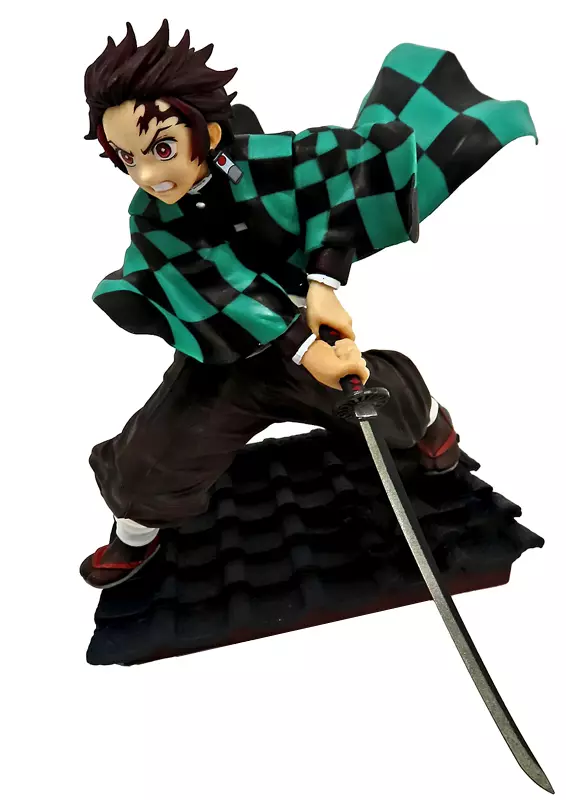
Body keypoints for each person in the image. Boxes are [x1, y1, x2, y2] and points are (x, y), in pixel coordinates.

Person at [80, 21, 535, 589]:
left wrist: (323, 281)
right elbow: (219, 289)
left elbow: (340, 177)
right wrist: (303, 348)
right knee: (152, 461)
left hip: (304, 331)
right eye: (127, 157)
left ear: (209, 132)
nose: (147, 174)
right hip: (221, 352)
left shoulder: (270, 161)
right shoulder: (151, 220)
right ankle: (134, 535)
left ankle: (429, 420)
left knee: (377, 403)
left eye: (162, 148)